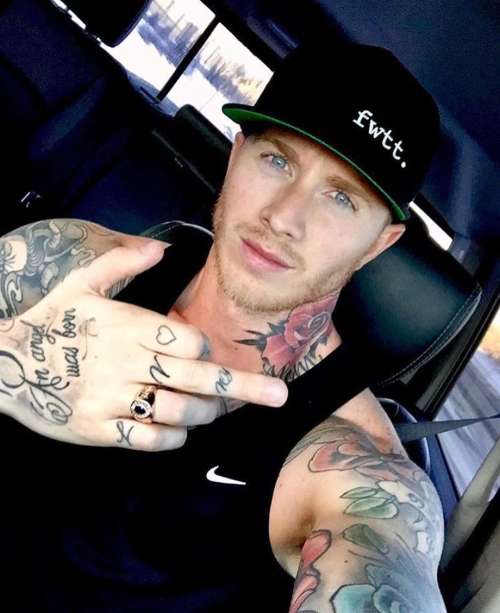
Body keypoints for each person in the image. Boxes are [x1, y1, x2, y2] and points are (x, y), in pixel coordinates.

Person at [0, 41, 446, 611]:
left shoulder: (352, 465)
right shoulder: (74, 259)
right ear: (236, 157)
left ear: (378, 244)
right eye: (277, 160)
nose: (283, 217)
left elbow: (386, 567)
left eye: (341, 197)